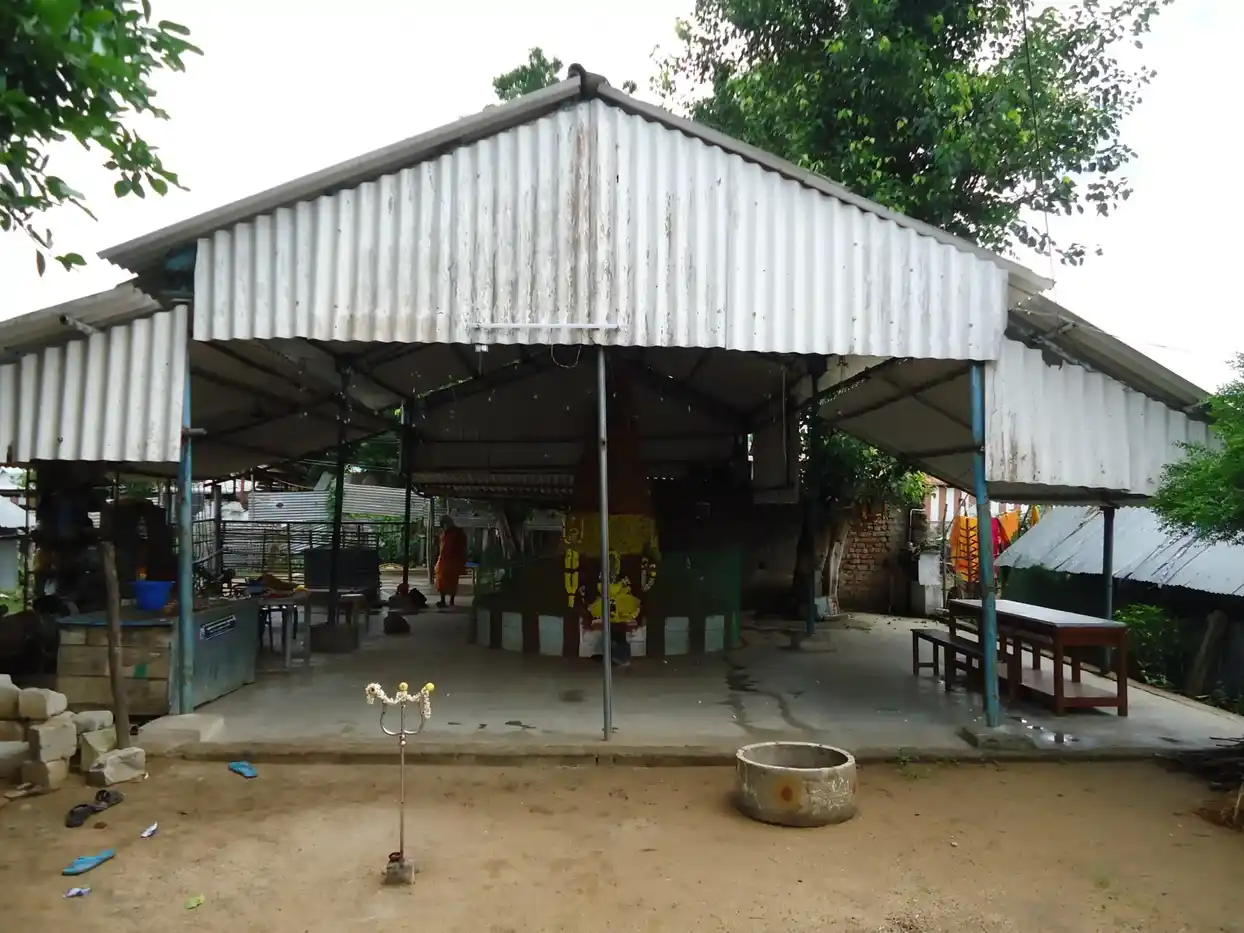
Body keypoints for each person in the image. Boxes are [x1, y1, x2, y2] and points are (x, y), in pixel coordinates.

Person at [434, 515, 468, 608]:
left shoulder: (458, 532)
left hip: (453, 560)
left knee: (452, 580)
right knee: (440, 579)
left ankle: (451, 600)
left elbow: (463, 546)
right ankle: (442, 600)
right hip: (443, 559)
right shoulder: (443, 533)